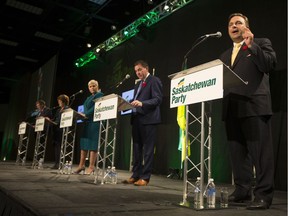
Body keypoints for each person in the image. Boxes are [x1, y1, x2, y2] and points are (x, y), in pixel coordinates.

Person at [219, 13, 277, 210]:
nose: (234, 26)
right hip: (232, 108)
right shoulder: (224, 55)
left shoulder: (260, 42)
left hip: (254, 106)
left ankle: (263, 195)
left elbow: (269, 64)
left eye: (238, 23)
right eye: (230, 24)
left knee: (261, 155)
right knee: (238, 154)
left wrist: (252, 45)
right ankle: (243, 190)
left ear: (247, 27)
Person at [123, 60, 163, 186]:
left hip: (149, 119)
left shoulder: (154, 80)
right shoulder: (138, 84)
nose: (138, 72)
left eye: (140, 70)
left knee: (148, 150)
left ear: (146, 68)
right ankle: (136, 175)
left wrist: (142, 103)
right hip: (137, 119)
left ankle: (145, 178)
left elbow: (157, 99)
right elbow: (136, 100)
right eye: (136, 71)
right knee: (136, 149)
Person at [74, 80, 103, 175]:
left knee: (92, 143)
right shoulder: (88, 98)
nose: (92, 88)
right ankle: (81, 165)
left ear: (97, 86)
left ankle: (91, 166)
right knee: (84, 143)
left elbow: (96, 107)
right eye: (90, 86)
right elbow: (86, 108)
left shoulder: (100, 95)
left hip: (94, 121)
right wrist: (82, 115)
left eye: (94, 86)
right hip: (86, 121)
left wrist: (85, 114)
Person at [50, 94, 70, 169]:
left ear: (63, 101)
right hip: (56, 130)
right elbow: (55, 120)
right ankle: (56, 163)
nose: (58, 102)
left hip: (62, 130)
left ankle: (61, 163)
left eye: (59, 101)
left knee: (60, 146)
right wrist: (50, 121)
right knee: (56, 146)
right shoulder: (58, 110)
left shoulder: (67, 109)